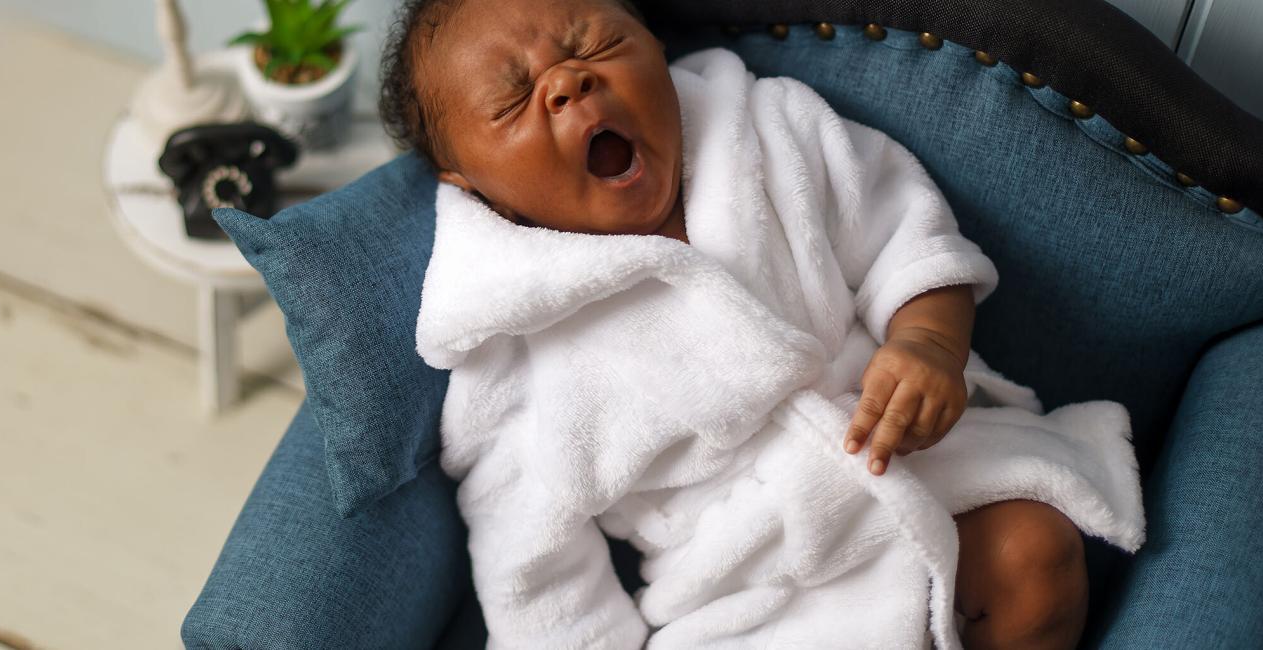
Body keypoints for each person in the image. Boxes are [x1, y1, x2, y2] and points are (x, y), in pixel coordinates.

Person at [383, 0, 1146, 647]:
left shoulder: (771, 131)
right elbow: (532, 561)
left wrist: (928, 343)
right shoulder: (507, 346)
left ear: (650, 41)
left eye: (596, 43)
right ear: (468, 181)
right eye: (512, 100)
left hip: (921, 462)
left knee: (1035, 554)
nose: (569, 82)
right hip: (748, 590)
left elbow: (907, 240)